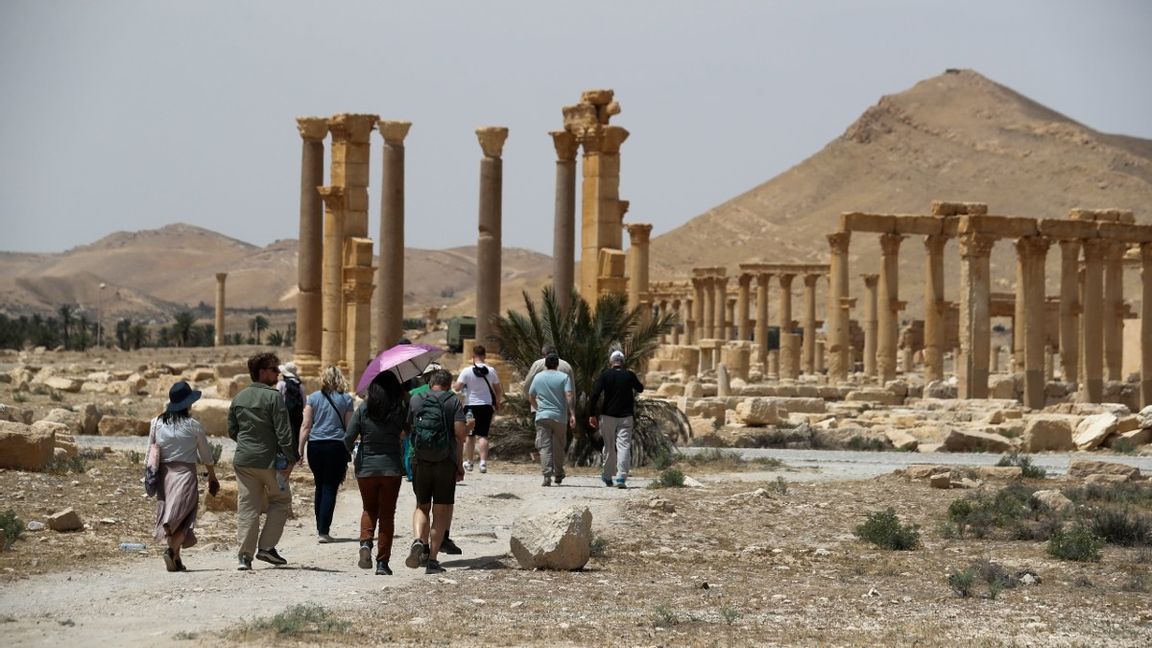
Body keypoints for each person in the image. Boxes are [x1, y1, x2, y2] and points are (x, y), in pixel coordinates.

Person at [228, 352, 298, 570]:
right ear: (261, 372)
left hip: (244, 460)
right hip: (269, 461)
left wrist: (248, 443)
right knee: (281, 500)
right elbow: (284, 432)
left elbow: (232, 430)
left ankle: (244, 557)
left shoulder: (239, 398)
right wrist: (290, 458)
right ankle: (267, 547)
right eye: (274, 369)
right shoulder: (274, 396)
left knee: (248, 507)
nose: (278, 373)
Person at [152, 380, 219, 572]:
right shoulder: (193, 425)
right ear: (188, 403)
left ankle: (177, 559)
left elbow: (152, 449)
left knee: (170, 515)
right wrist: (212, 477)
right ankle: (171, 550)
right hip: (185, 475)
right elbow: (206, 454)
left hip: (164, 476)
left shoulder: (156, 423)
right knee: (184, 517)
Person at [405, 369, 467, 574]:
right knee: (440, 510)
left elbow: (407, 430)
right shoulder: (453, 401)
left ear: (430, 383)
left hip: (420, 460)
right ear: (449, 384)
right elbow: (459, 436)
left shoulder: (416, 399)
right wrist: (459, 464)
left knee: (422, 506)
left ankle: (418, 541)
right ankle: (432, 559)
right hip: (445, 462)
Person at [345, 371, 407, 575]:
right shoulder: (398, 409)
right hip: (391, 467)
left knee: (369, 509)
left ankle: (365, 543)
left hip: (366, 468)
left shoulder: (364, 408)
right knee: (387, 515)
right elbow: (408, 431)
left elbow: (349, 437)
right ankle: (382, 563)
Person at [298, 365, 354, 543]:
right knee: (330, 486)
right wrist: (350, 448)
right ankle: (324, 530)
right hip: (336, 446)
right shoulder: (346, 399)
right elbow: (349, 427)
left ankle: (319, 527)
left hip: (315, 446)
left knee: (320, 486)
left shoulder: (312, 398)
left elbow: (306, 426)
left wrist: (300, 449)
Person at [588, 349, 645, 489]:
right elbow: (640, 389)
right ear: (622, 362)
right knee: (624, 446)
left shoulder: (605, 375)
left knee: (608, 446)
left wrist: (591, 414)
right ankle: (621, 477)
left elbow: (595, 394)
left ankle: (607, 476)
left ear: (611, 362)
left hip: (608, 416)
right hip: (626, 417)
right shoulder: (629, 375)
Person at [452, 344, 503, 474]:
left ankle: (469, 462)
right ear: (485, 356)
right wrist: (497, 401)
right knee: (484, 435)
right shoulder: (491, 371)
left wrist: (455, 385)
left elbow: (457, 388)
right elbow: (498, 390)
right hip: (486, 406)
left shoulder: (467, 371)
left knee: (470, 435)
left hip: (471, 406)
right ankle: (483, 463)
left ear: (473, 356)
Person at [528, 353, 575, 487]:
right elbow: (569, 395)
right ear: (557, 365)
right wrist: (572, 414)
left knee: (544, 447)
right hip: (560, 416)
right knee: (559, 446)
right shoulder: (564, 377)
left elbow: (531, 396)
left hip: (542, 416)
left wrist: (538, 408)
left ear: (545, 364)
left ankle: (547, 475)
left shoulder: (538, 377)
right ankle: (559, 474)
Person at [277, 361, 306, 451]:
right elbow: (304, 402)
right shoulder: (300, 385)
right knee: (296, 435)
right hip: (297, 416)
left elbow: (277, 400)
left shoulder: (281, 384)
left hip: (284, 415)